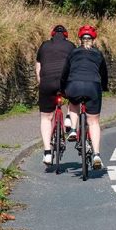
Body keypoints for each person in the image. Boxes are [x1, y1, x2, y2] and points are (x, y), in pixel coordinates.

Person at [60, 25, 109, 170]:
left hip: (74, 84)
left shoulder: (73, 53)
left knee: (73, 105)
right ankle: (96, 155)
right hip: (93, 86)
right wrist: (104, 86)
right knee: (93, 121)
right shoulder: (98, 54)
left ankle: (73, 130)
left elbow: (65, 73)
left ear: (80, 39)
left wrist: (63, 88)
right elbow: (104, 74)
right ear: (93, 40)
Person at [36, 25, 75, 166]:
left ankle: (47, 152)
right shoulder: (71, 46)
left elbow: (38, 69)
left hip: (47, 83)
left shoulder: (44, 46)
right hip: (65, 83)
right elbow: (74, 68)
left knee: (46, 117)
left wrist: (42, 85)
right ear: (66, 35)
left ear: (52, 35)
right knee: (74, 99)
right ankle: (69, 118)